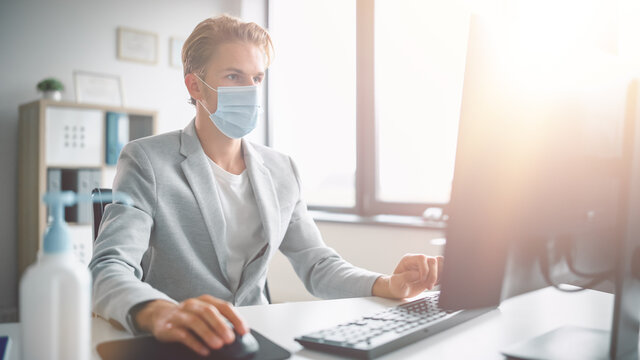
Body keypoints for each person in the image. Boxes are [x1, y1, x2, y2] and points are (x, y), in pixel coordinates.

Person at [89, 14, 443, 357]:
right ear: (195, 84)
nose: (249, 90)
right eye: (233, 75)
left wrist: (387, 284)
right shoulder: (147, 160)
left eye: (257, 78)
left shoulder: (281, 169)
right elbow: (109, 267)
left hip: (256, 340)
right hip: (180, 342)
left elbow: (316, 263)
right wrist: (158, 311)